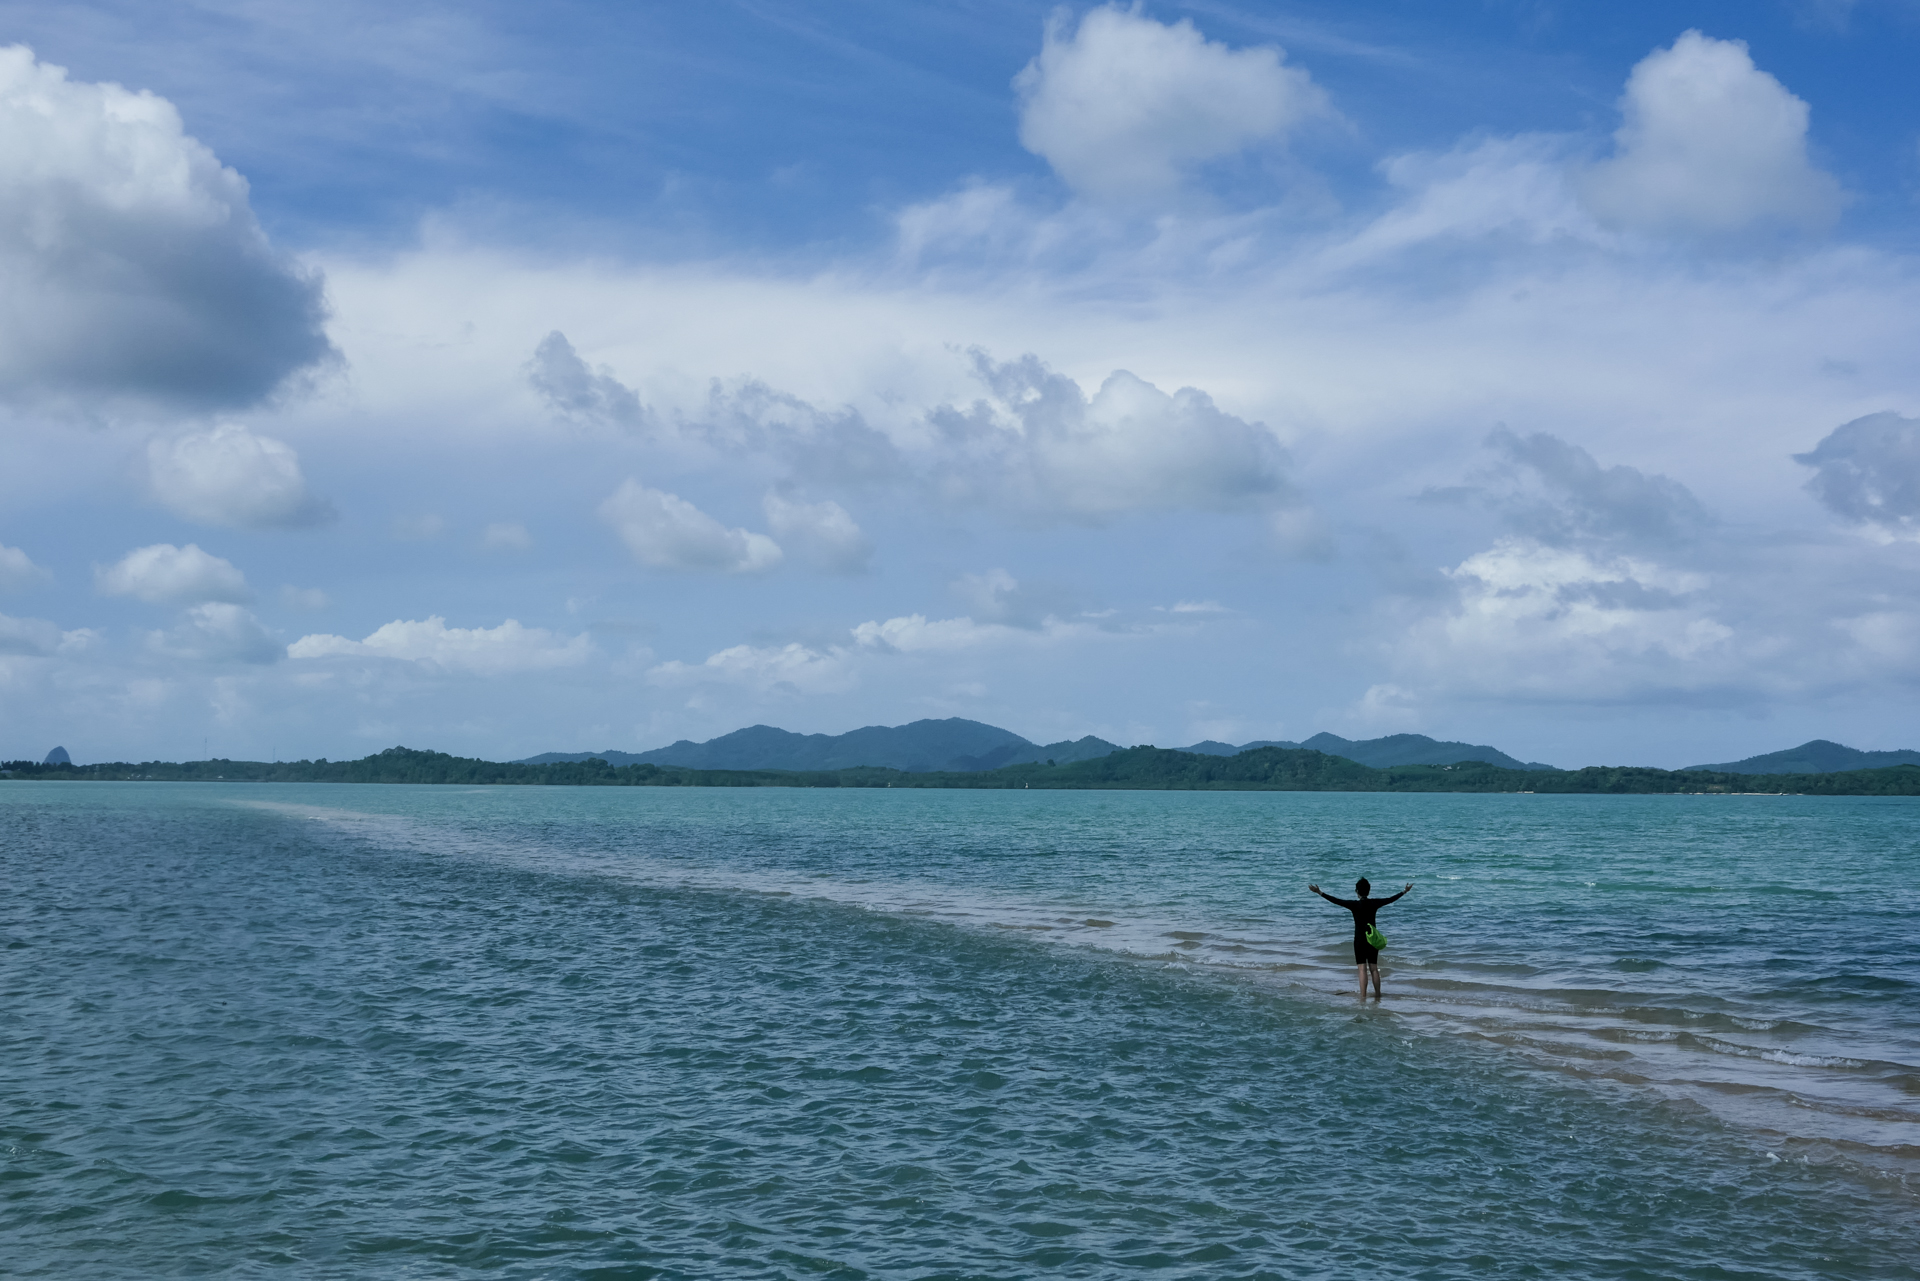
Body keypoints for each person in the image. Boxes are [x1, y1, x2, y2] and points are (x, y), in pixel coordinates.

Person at [1309, 877, 1412, 999]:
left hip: (1359, 940)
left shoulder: (1354, 905)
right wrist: (1404, 891)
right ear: (1368, 891)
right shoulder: (1374, 903)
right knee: (1374, 968)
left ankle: (1363, 997)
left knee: (1362, 970)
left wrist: (1320, 892)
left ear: (1357, 891)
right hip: (1372, 940)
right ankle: (1378, 996)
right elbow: (1390, 899)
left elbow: (1336, 901)